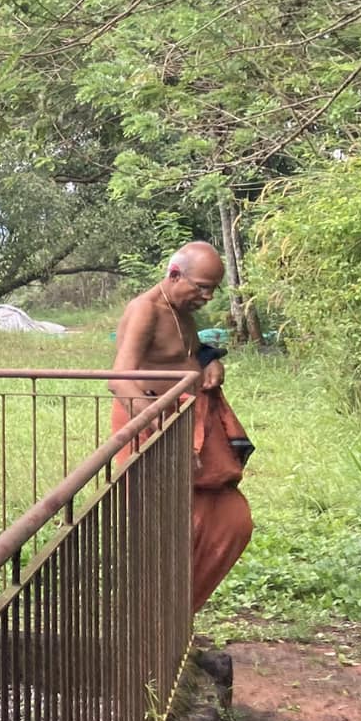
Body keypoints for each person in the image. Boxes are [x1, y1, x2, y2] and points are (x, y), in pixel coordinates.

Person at [110, 241, 253, 612]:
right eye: (201, 287)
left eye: (212, 289)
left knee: (229, 519)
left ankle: (176, 613)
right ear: (174, 275)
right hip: (152, 428)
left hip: (188, 425)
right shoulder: (146, 309)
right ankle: (148, 620)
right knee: (164, 530)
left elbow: (183, 353)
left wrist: (209, 361)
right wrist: (162, 434)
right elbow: (120, 378)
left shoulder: (181, 309)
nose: (206, 296)